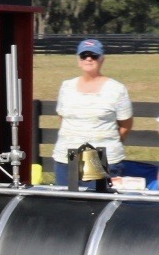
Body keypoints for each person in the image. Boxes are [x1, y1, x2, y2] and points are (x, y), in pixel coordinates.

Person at [53, 38, 133, 188]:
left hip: (97, 155)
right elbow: (62, 118)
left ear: (102, 59)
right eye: (84, 55)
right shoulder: (67, 86)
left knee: (94, 207)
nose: (88, 59)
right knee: (66, 205)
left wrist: (107, 142)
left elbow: (125, 125)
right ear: (78, 60)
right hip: (67, 155)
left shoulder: (116, 89)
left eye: (93, 55)